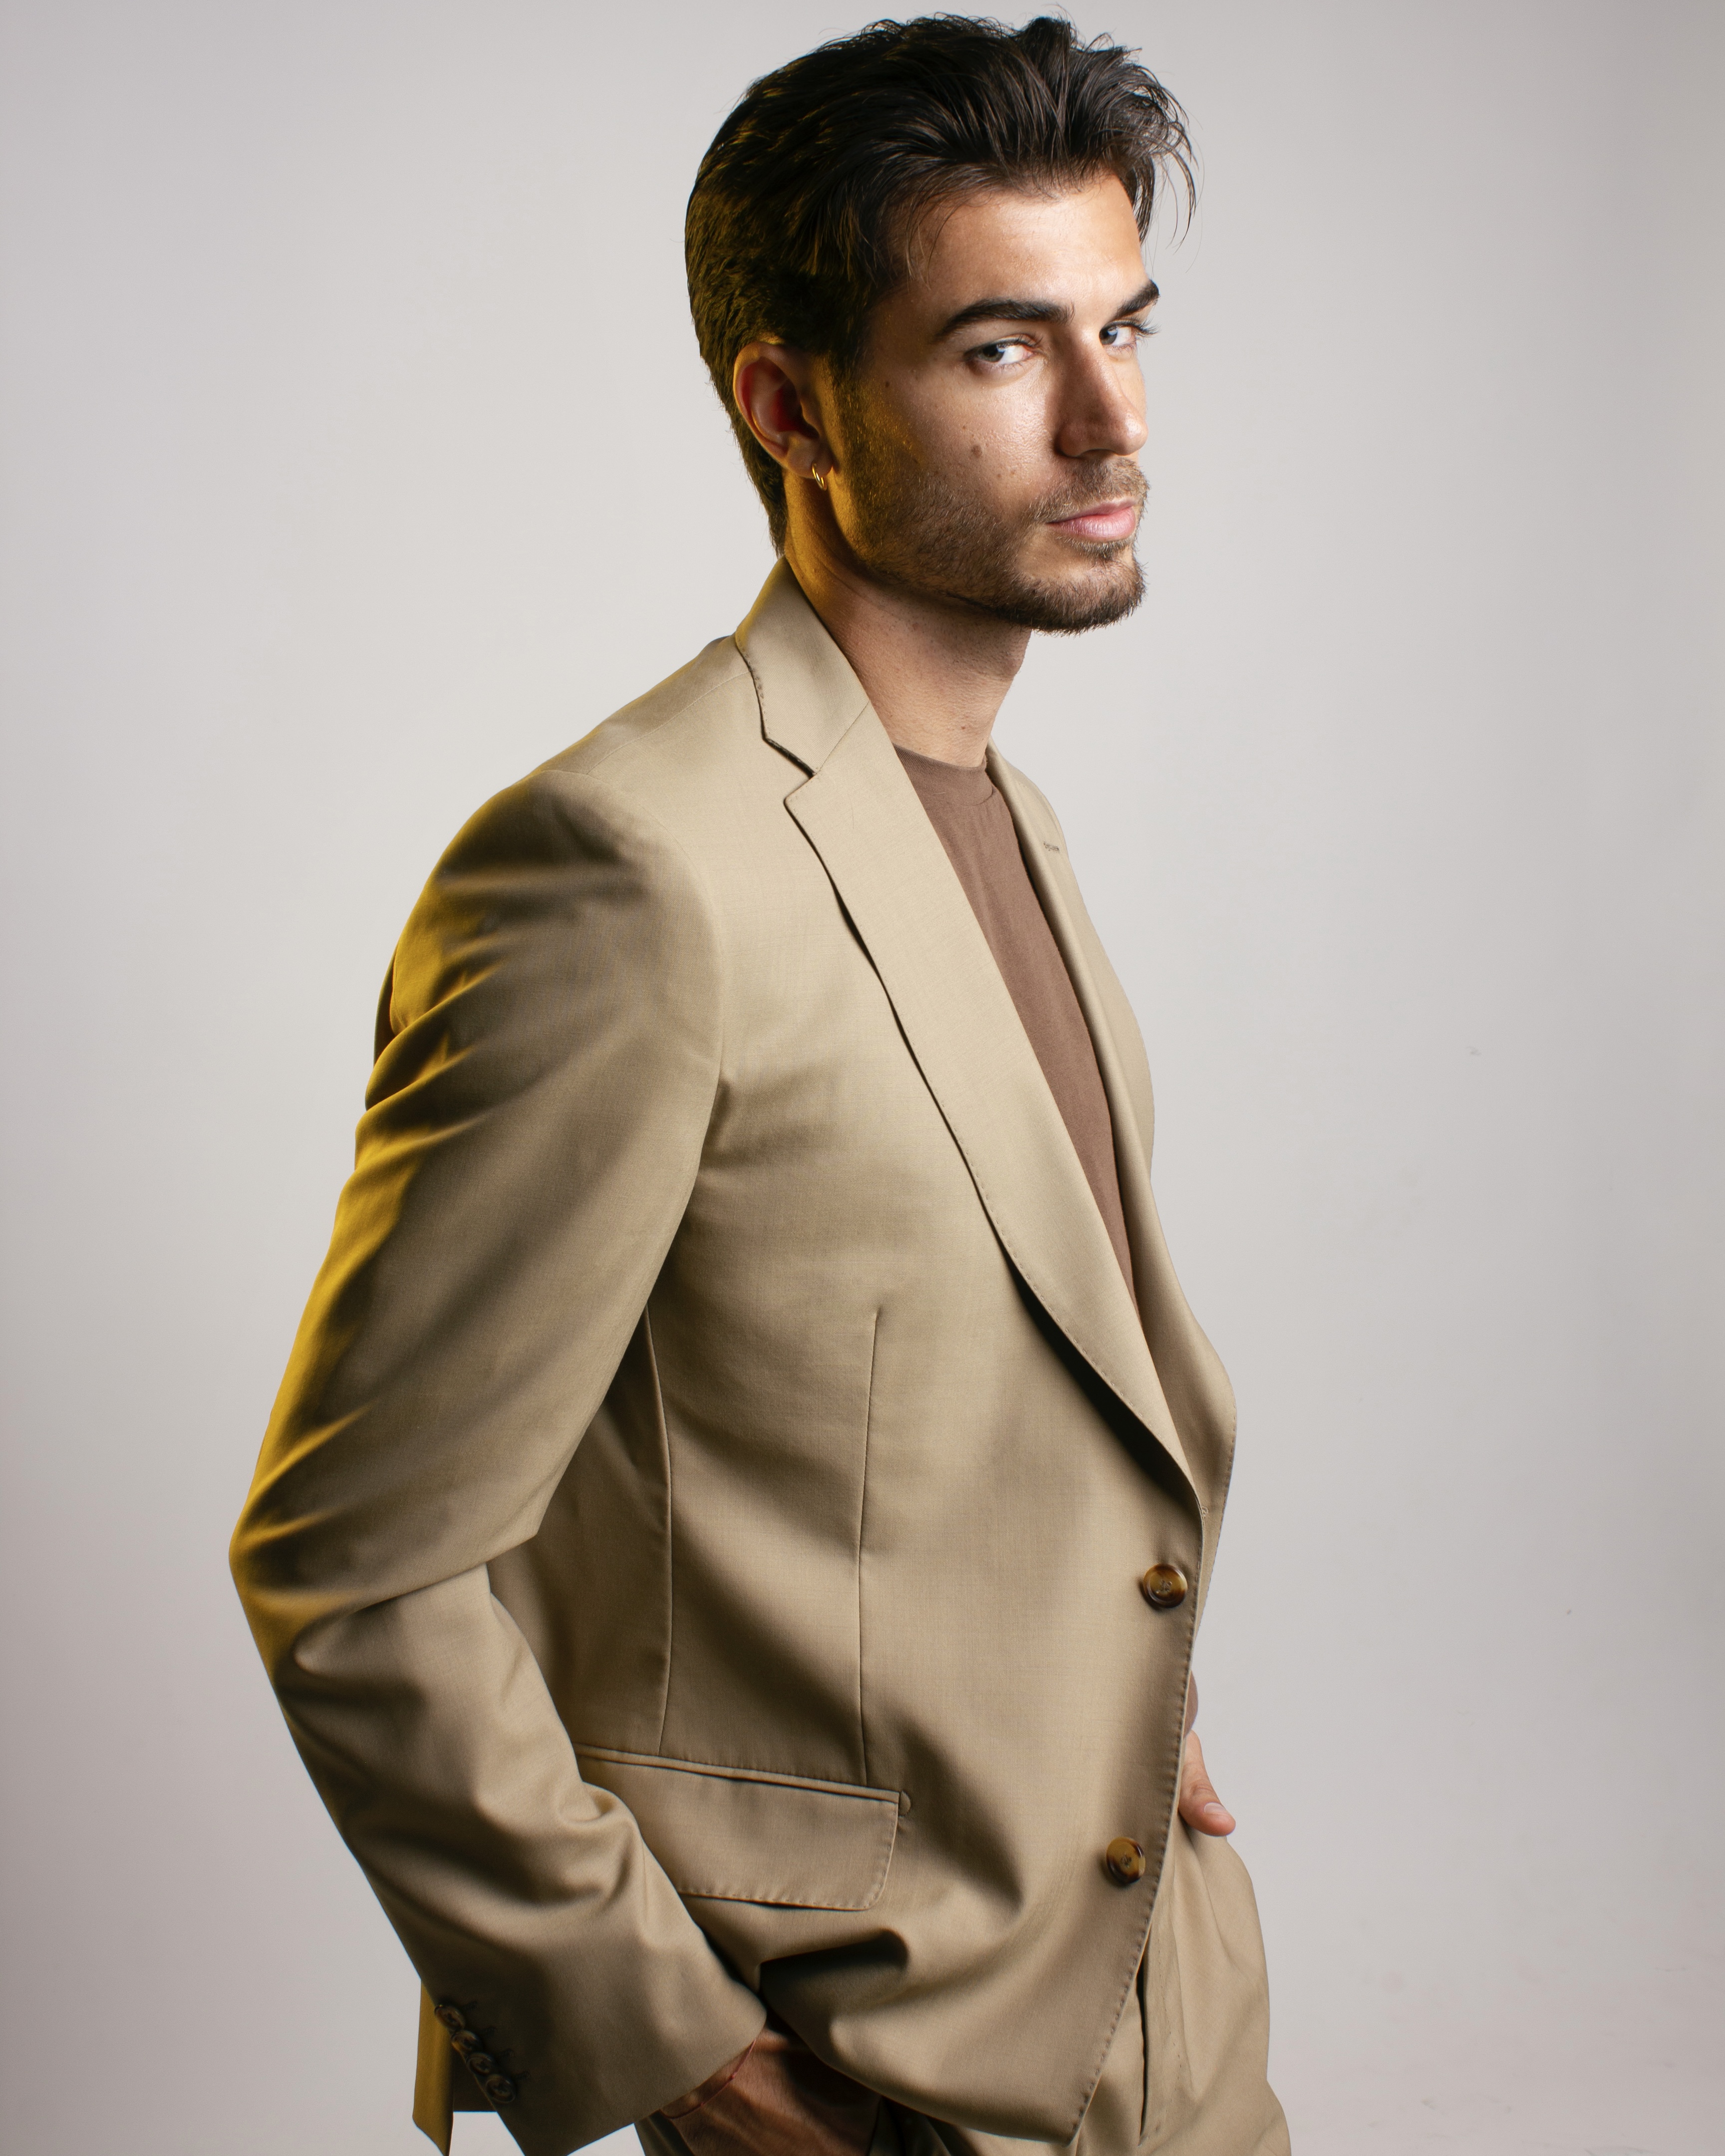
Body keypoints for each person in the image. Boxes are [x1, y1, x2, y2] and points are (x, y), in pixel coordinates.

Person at [231, 16, 1290, 2156]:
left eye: (1123, 327)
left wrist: (1114, 1710)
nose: (1113, 419)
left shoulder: (1006, 821)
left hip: (1162, 2000)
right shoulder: (627, 871)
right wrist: (679, 2054)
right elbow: (361, 1564)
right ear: (790, 406)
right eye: (1002, 348)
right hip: (870, 2057)